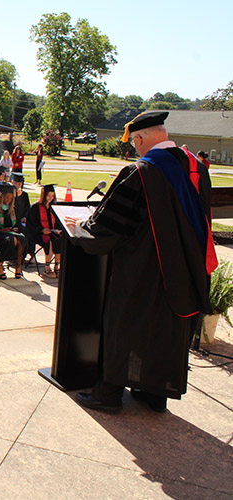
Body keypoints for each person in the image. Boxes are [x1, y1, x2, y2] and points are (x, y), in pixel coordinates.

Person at [68, 111, 215, 414]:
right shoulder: (196, 168)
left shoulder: (142, 171)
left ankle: (108, 394)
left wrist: (82, 229)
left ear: (139, 138)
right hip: (185, 268)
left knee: (125, 324)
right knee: (164, 329)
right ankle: (154, 392)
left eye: (134, 143)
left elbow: (111, 227)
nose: (134, 149)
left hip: (142, 268)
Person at [0, 184, 28, 280]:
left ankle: (18, 265)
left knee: (23, 240)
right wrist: (1, 230)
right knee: (11, 240)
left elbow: (18, 225)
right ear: (2, 196)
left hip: (11, 234)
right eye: (7, 197)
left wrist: (16, 228)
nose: (8, 200)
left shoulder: (13, 209)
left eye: (11, 198)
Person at [26, 184, 61, 279]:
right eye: (48, 196)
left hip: (52, 232)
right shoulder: (35, 207)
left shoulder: (54, 207)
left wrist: (57, 230)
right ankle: (47, 267)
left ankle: (57, 266)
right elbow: (31, 223)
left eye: (52, 196)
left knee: (60, 239)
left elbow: (58, 222)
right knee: (50, 241)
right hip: (38, 234)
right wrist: (41, 230)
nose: (50, 198)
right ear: (44, 195)